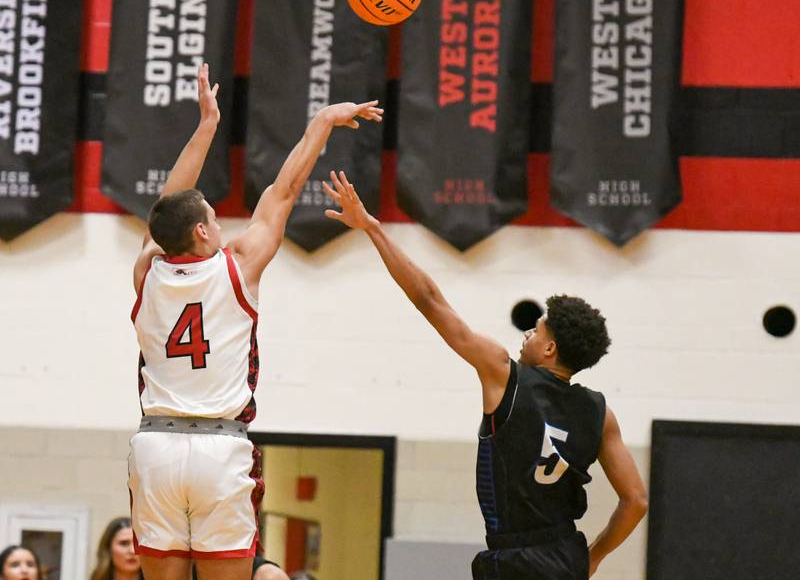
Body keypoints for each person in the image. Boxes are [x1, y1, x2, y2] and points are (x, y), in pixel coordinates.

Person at [321, 171, 649, 580]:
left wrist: (372, 228)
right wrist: (592, 557)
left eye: (536, 330)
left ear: (550, 349)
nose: (527, 335)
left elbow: (429, 300)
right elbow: (636, 500)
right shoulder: (601, 414)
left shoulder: (504, 374)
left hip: (514, 560)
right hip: (566, 556)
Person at [128, 65, 382, 580]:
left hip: (156, 445)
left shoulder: (147, 270)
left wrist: (207, 127)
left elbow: (165, 208)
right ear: (202, 231)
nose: (221, 222)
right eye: (213, 216)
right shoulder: (239, 266)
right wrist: (322, 124)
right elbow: (282, 192)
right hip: (220, 448)